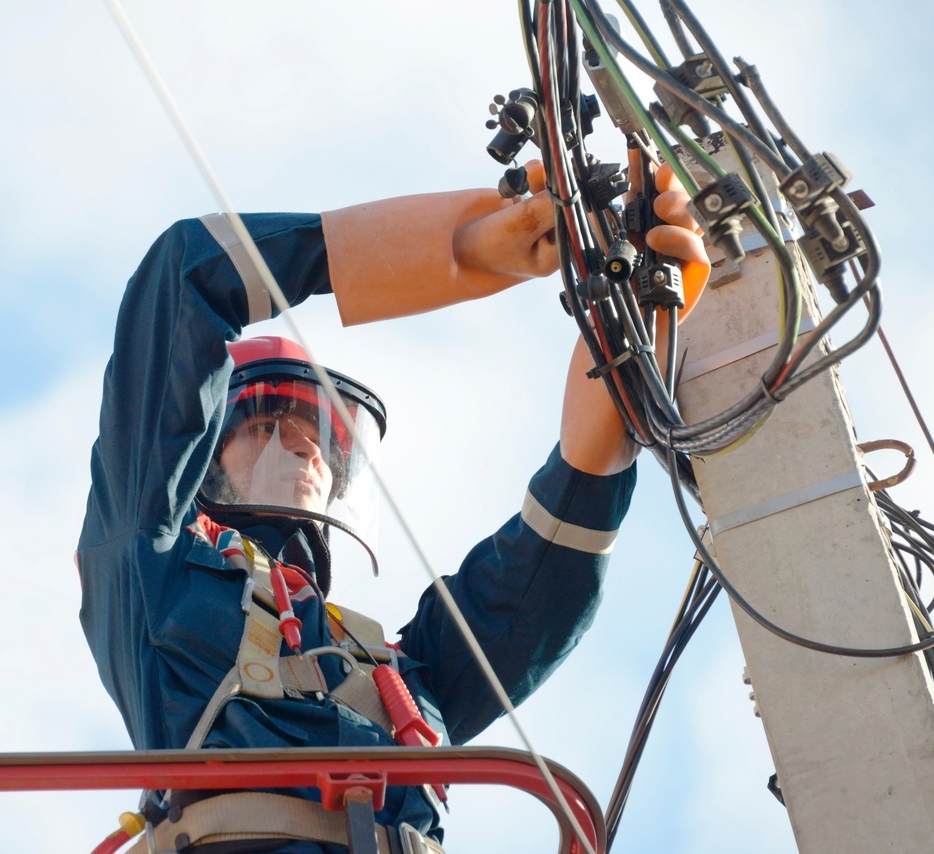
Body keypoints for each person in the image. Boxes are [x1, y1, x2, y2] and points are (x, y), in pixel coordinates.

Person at [77, 161, 709, 852]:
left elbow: (538, 578)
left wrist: (632, 329)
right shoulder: (153, 568)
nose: (303, 452)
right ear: (202, 449)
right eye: (265, 427)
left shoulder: (400, 675)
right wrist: (462, 247)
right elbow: (186, 274)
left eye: (320, 439)